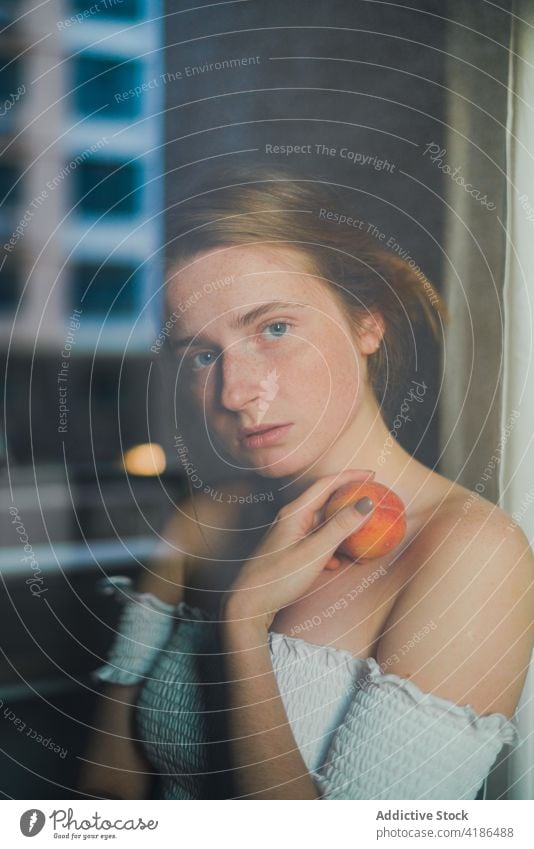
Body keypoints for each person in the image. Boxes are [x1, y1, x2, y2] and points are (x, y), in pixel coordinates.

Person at [78, 163, 534, 800]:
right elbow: (106, 794)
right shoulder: (208, 520)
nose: (235, 392)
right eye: (203, 354)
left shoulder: (471, 553)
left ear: (367, 322)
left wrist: (242, 626)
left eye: (274, 329)